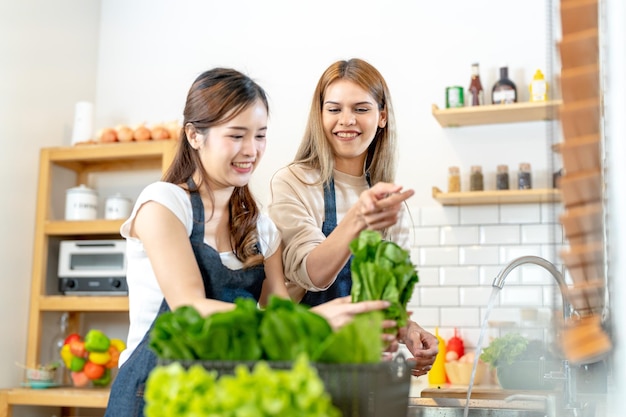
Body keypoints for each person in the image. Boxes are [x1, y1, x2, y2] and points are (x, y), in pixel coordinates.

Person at [105, 68, 395, 417]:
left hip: (226, 401)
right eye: (237, 135)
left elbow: (279, 324)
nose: (251, 150)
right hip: (152, 396)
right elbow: (188, 307)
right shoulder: (164, 205)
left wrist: (349, 336)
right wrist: (314, 321)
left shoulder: (262, 230)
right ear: (194, 135)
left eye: (260, 136)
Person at [268, 58, 438, 375]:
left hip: (361, 371)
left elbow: (385, 301)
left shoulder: (387, 197)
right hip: (301, 366)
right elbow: (313, 275)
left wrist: (408, 331)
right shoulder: (293, 182)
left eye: (361, 109)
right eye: (334, 109)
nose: (347, 120)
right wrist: (359, 217)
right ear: (320, 116)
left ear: (382, 116)